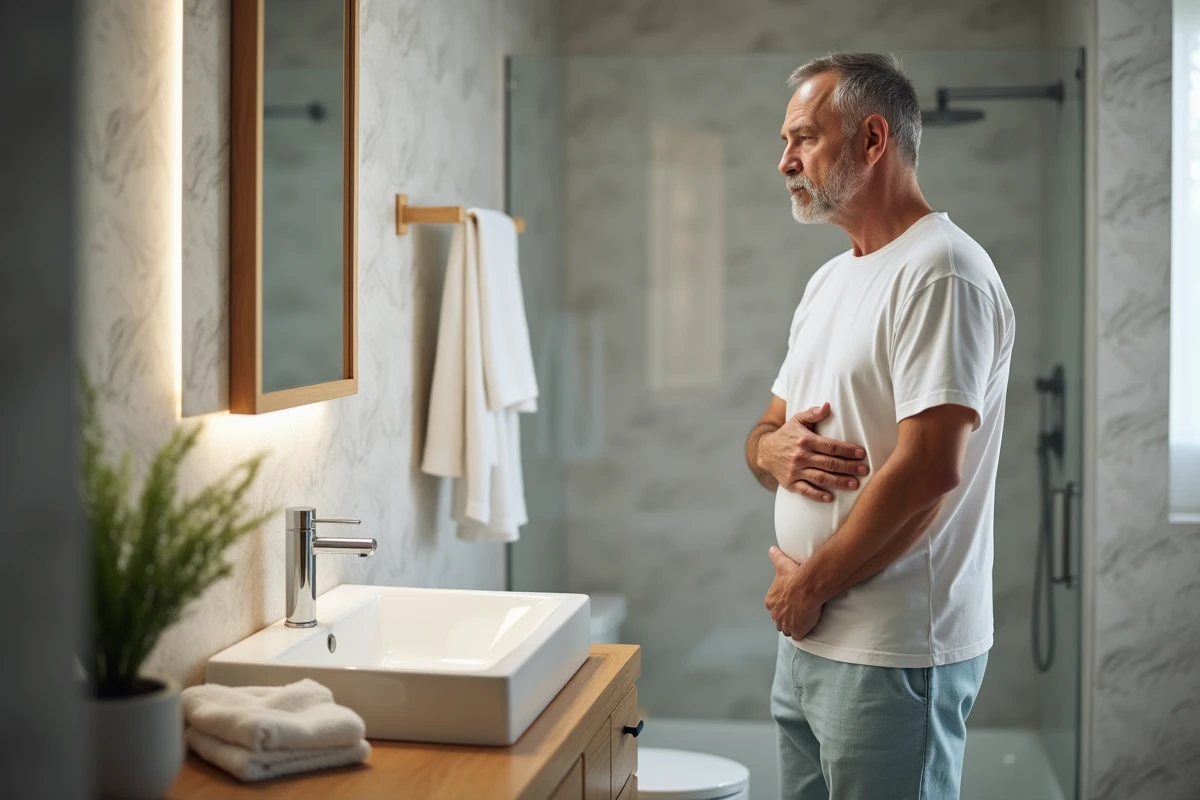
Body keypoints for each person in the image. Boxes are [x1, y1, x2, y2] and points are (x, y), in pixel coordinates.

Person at [743, 53, 1015, 800]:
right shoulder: (830, 280)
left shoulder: (942, 271)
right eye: (785, 142)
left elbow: (929, 471)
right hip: (810, 638)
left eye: (804, 138)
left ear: (872, 139)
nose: (785, 162)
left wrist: (808, 588)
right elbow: (765, 433)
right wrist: (770, 450)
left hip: (894, 652)